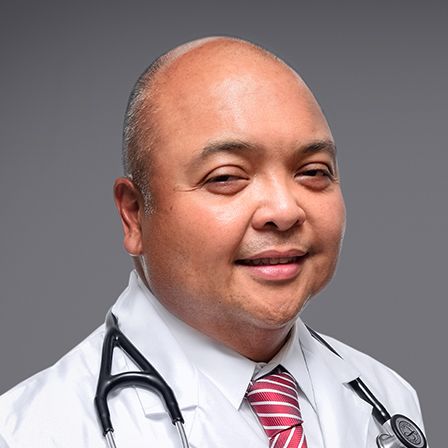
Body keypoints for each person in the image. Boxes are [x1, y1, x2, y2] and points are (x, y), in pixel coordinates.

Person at [0, 37, 427, 447]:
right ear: (133, 214)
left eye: (313, 171)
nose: (284, 210)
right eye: (225, 177)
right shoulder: (31, 432)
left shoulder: (388, 399)